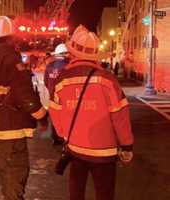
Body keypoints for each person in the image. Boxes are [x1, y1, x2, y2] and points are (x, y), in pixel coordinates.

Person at [48, 25, 134, 200]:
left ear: (72, 53)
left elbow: (55, 112)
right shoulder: (107, 79)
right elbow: (120, 114)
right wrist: (127, 146)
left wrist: (66, 135)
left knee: (76, 192)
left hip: (76, 148)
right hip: (105, 152)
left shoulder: (62, 80)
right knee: (104, 193)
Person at [0, 16, 48, 200]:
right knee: (13, 181)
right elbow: (25, 95)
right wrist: (42, 116)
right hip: (10, 132)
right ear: (10, 38)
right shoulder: (11, 59)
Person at [44, 43, 70, 145]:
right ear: (65, 53)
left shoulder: (49, 66)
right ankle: (64, 137)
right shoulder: (68, 66)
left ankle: (55, 137)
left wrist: (51, 90)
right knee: (65, 117)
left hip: (52, 96)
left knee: (54, 117)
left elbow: (46, 81)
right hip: (64, 96)